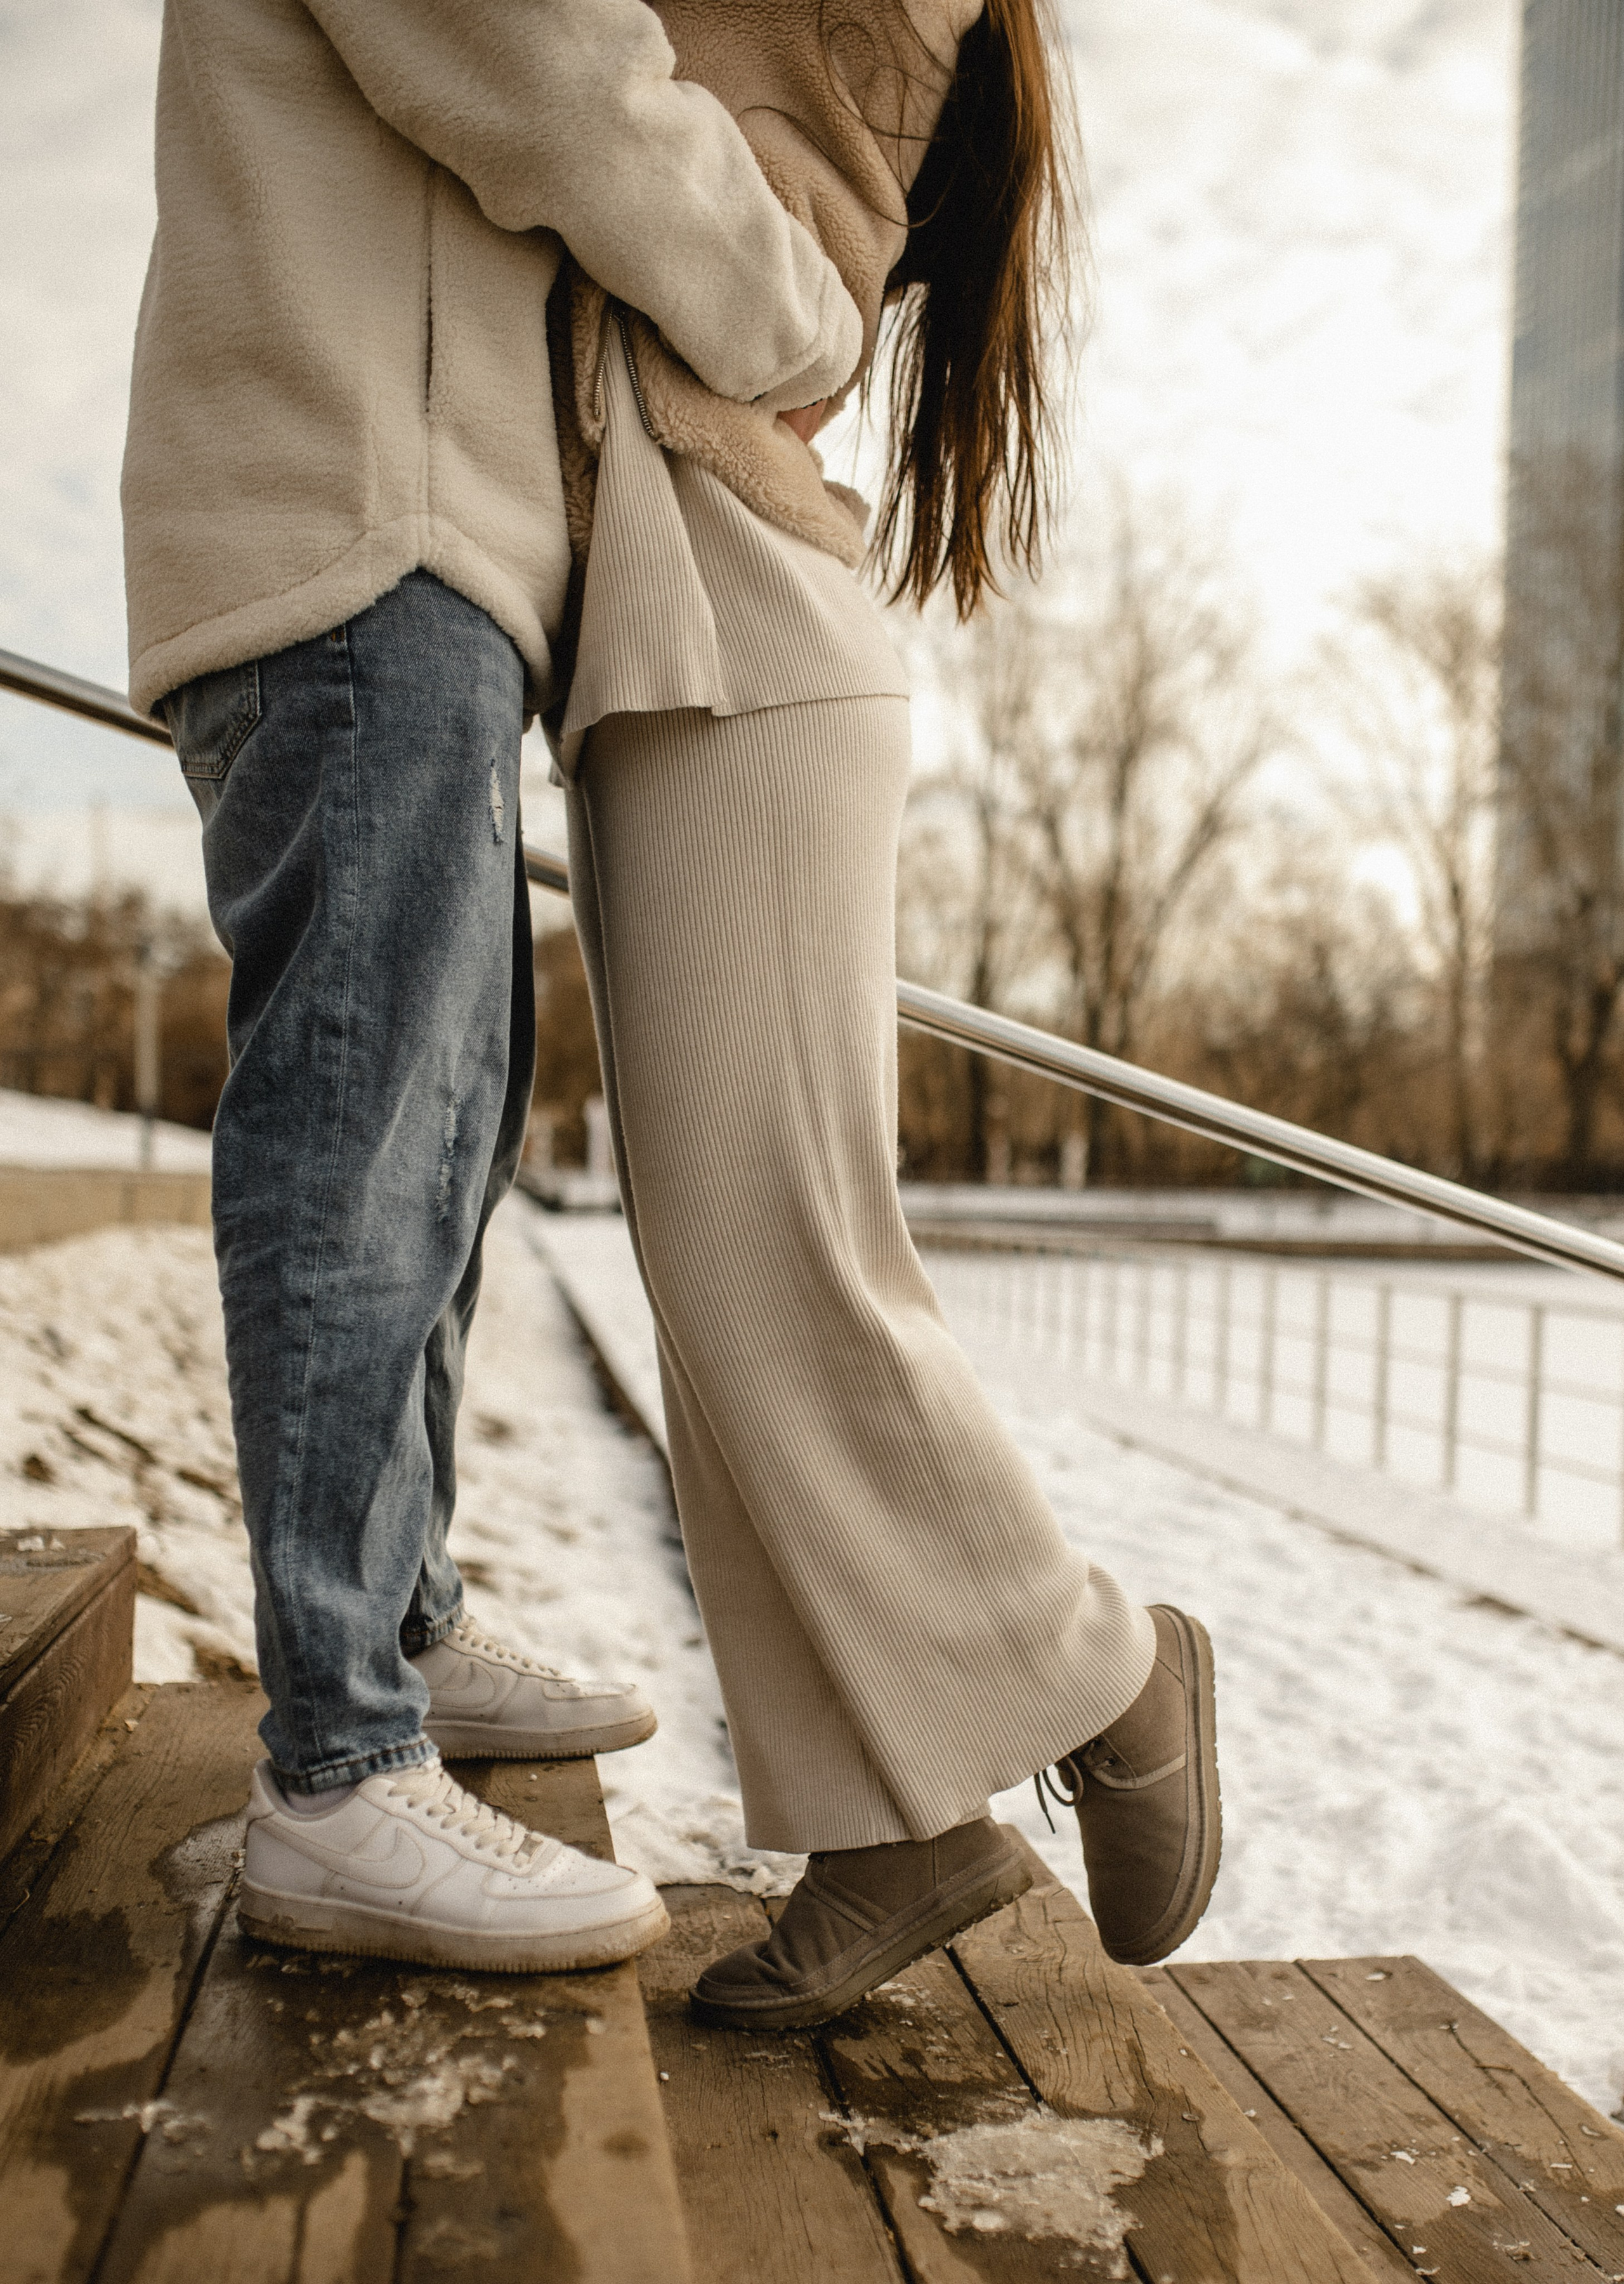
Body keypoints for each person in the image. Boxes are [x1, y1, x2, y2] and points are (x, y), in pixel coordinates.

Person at [124, 0, 868, 1973]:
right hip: (357, 526)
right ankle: (338, 1772)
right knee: (365, 1129)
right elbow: (567, 86)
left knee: (445, 1134)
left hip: (408, 546)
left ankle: (401, 1627)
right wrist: (807, 325)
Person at [546, 0, 1221, 2027]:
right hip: (678, 629)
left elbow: (633, 153)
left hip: (744, 634)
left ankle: (1106, 1675)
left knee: (781, 1251)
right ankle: (886, 1827)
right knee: (712, 1272)